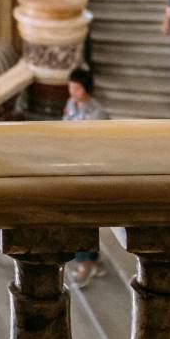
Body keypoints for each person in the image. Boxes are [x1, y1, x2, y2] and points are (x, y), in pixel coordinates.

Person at [62, 70, 108, 286]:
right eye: (71, 87)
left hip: (89, 169)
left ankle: (85, 263)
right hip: (72, 165)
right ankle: (94, 260)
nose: (72, 92)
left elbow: (98, 142)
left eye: (77, 88)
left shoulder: (97, 112)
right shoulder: (71, 104)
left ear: (87, 88)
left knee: (81, 217)